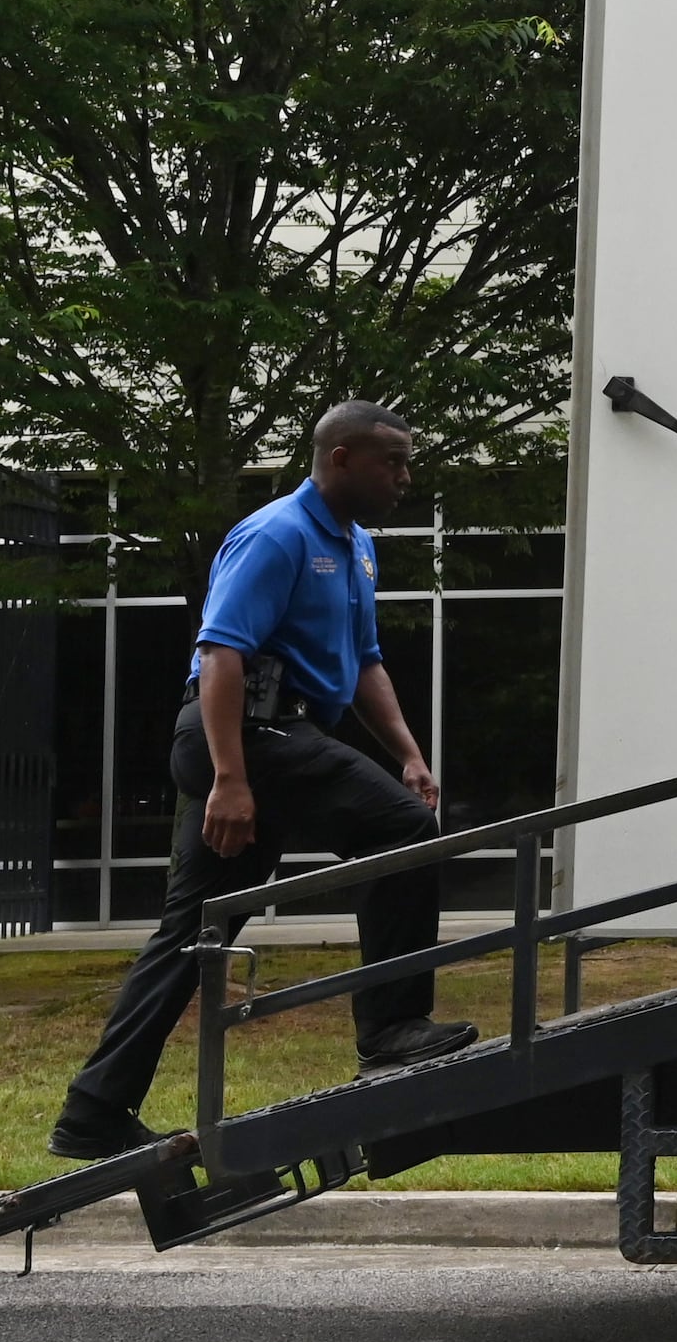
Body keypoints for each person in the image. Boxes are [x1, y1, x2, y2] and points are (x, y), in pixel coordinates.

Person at [51, 402, 477, 1160]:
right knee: (405, 830)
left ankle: (94, 1111)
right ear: (341, 458)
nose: (405, 477)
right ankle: (390, 1027)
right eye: (393, 461)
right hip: (247, 736)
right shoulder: (276, 534)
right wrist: (230, 779)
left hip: (277, 741)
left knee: (195, 933)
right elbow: (220, 654)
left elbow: (366, 662)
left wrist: (409, 755)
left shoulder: (358, 547)